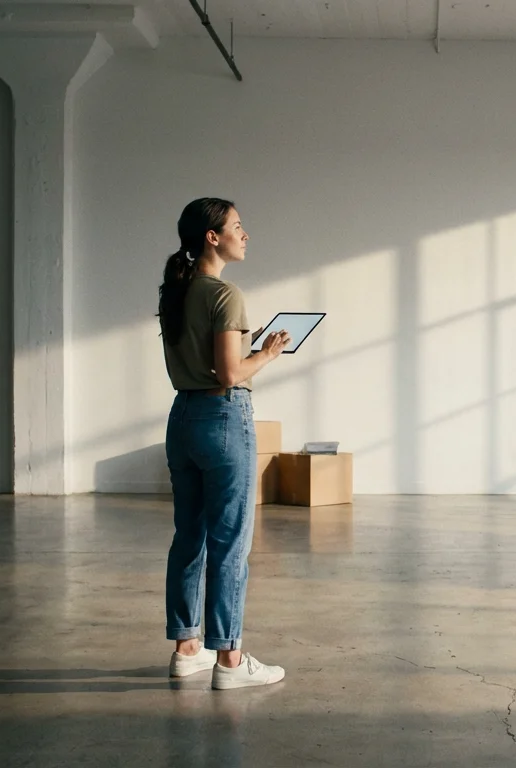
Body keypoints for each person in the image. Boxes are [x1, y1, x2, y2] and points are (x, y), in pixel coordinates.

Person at [157, 197, 291, 690]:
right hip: (224, 418)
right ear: (212, 237)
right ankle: (231, 663)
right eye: (237, 226)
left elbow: (201, 361)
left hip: (183, 418)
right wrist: (269, 353)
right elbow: (231, 374)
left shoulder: (175, 291)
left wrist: (243, 347)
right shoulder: (225, 293)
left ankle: (186, 648)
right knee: (230, 544)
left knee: (188, 537)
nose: (245, 233)